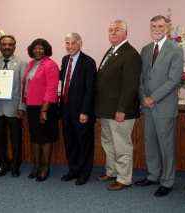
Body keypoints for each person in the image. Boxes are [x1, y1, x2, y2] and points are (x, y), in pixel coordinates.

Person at [136, 15, 183, 197]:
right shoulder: (145, 49)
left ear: (166, 28)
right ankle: (153, 175)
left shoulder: (175, 49)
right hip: (147, 108)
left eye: (160, 26)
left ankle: (168, 181)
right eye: (153, 25)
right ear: (150, 28)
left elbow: (173, 80)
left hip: (163, 106)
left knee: (167, 146)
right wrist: (143, 97)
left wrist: (152, 98)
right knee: (151, 144)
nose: (156, 28)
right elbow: (141, 77)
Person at [95, 20, 141, 191]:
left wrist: (121, 109)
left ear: (125, 34)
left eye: (117, 30)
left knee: (122, 145)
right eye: (110, 30)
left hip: (120, 111)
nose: (113, 33)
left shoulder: (130, 54)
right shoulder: (113, 51)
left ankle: (124, 177)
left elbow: (130, 85)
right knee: (108, 143)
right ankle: (112, 171)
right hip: (106, 109)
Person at [0, 35, 27, 177]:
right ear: (0, 46)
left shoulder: (22, 63)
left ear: (14, 46)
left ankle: (15, 166)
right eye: (4, 44)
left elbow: (24, 87)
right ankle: (3, 166)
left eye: (10, 45)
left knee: (16, 139)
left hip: (14, 108)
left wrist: (22, 106)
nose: (7, 47)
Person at [59, 32, 97, 186]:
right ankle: (73, 170)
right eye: (67, 43)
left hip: (82, 112)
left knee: (84, 144)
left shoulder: (88, 62)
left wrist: (85, 112)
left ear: (80, 43)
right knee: (70, 142)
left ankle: (85, 173)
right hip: (66, 110)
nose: (70, 46)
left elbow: (90, 90)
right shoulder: (64, 59)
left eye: (73, 43)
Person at [22, 38, 59, 182]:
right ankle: (36, 165)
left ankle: (46, 167)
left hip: (45, 106)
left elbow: (51, 88)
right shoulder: (31, 64)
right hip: (32, 106)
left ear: (46, 50)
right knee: (35, 138)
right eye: (35, 48)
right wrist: (23, 105)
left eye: (41, 48)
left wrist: (44, 110)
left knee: (45, 138)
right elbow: (26, 86)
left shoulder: (51, 65)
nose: (37, 51)